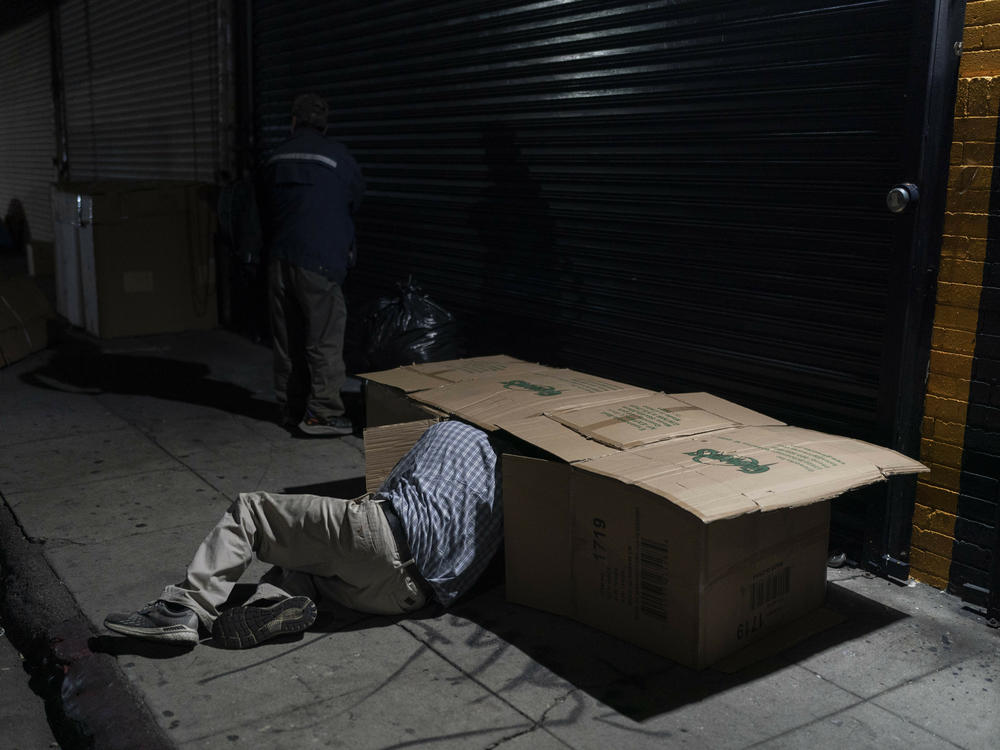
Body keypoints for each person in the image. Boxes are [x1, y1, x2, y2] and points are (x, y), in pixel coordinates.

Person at [103, 421, 503, 648]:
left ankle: (183, 610)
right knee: (311, 563)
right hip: (405, 597)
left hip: (382, 536)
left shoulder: (450, 429)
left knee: (252, 510)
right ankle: (274, 602)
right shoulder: (510, 489)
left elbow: (386, 490)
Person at [260, 92, 365, 436]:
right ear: (324, 124)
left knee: (287, 340)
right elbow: (355, 200)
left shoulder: (274, 157)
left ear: (293, 121)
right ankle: (322, 413)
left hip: (279, 260)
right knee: (323, 339)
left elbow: (260, 206)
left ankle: (290, 409)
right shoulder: (339, 157)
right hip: (319, 262)